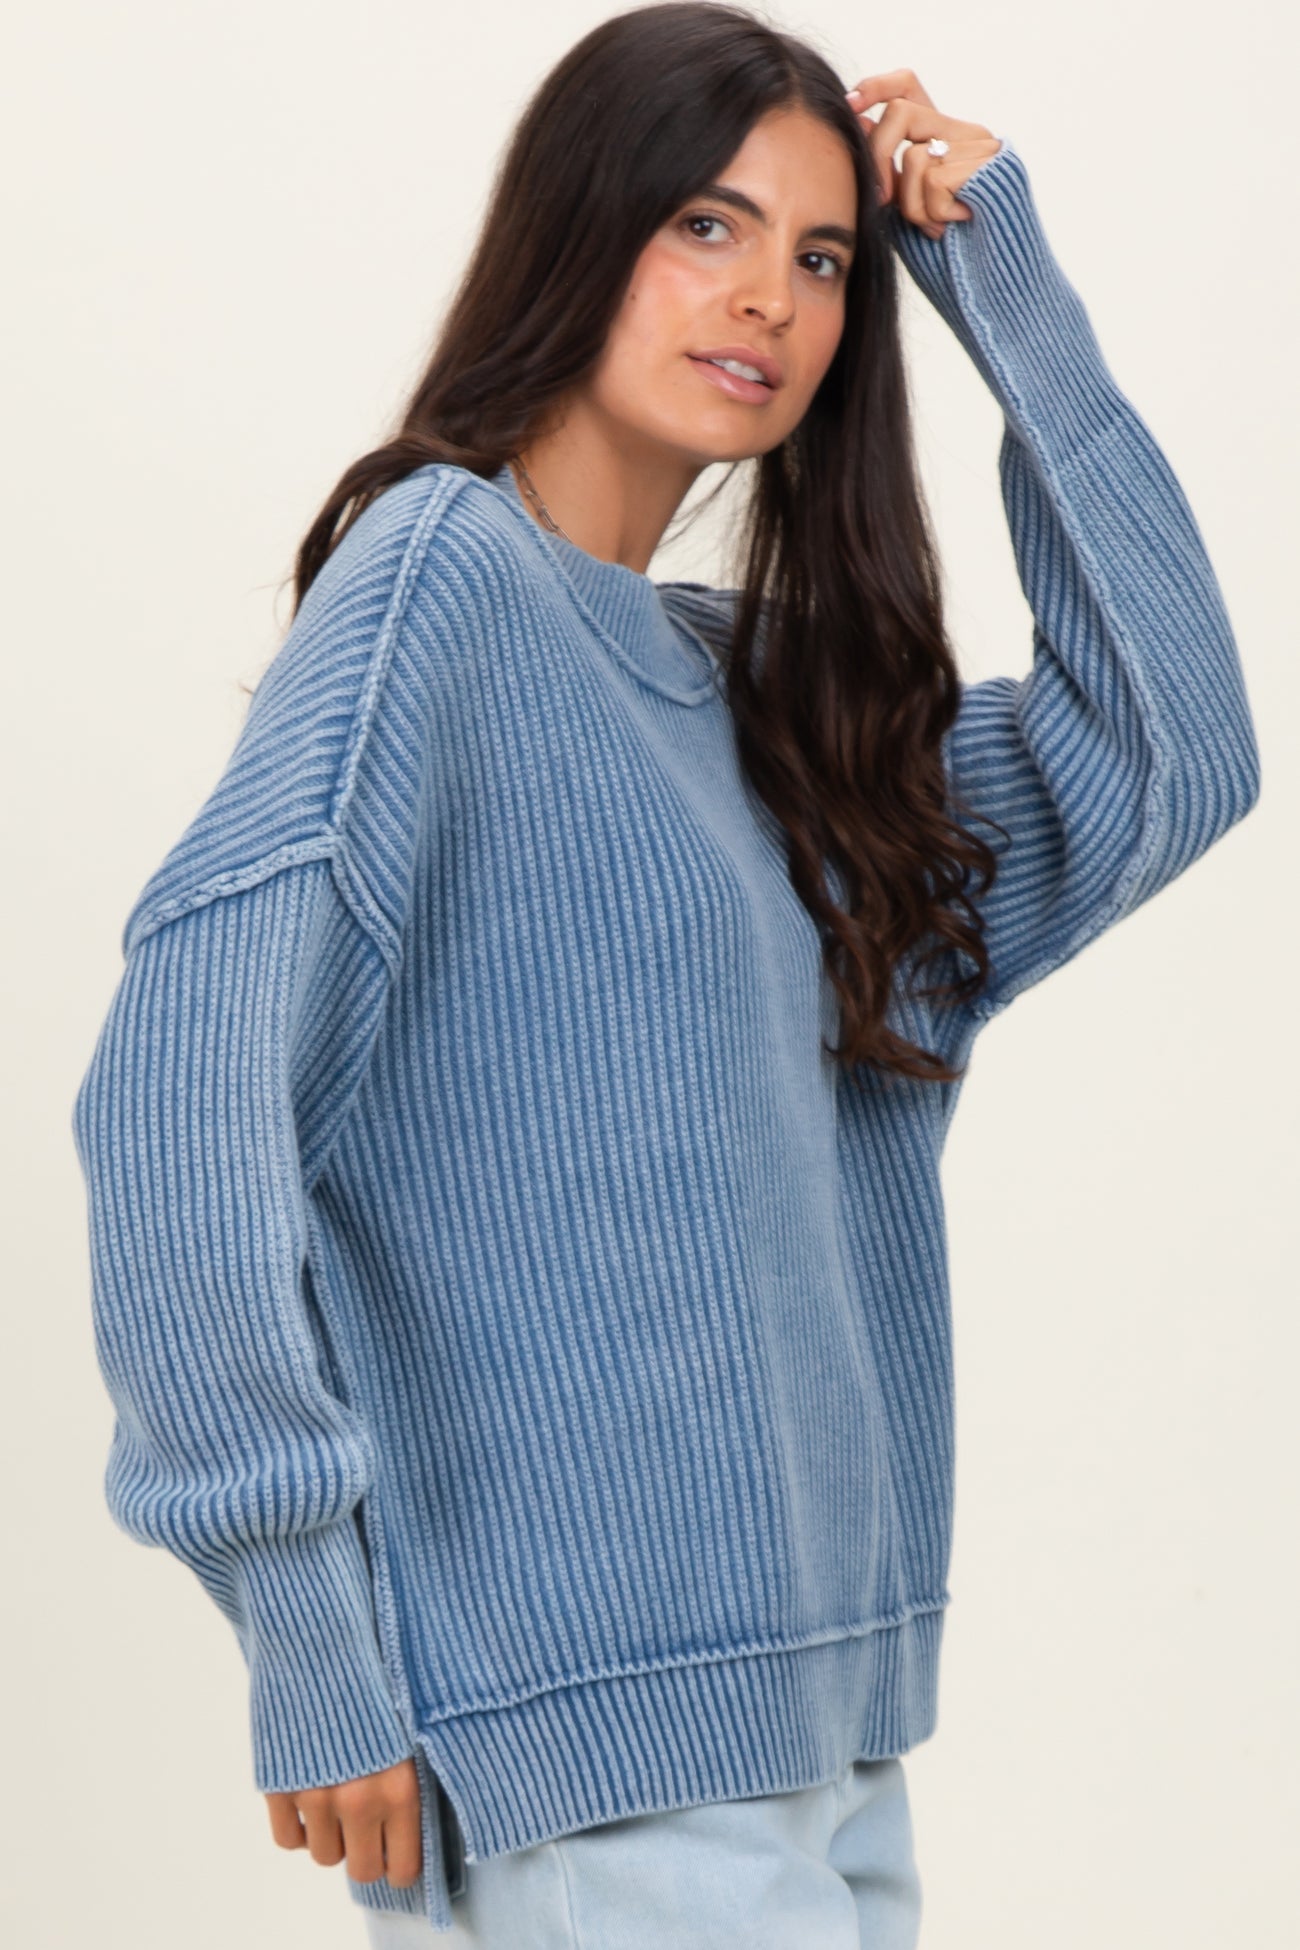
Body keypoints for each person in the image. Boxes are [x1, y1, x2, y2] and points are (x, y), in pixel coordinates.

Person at [70, 6, 1261, 1947]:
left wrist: (1004, 290)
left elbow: (1171, 750)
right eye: (707, 225)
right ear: (579, 223)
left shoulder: (761, 699)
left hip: (820, 1721)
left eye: (823, 255)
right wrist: (303, 1623)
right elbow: (178, 1095)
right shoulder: (440, 584)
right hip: (589, 1748)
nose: (770, 299)